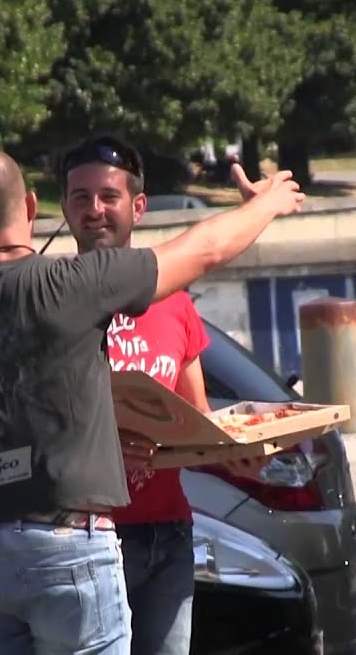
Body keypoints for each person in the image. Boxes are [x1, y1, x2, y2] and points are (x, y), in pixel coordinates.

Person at [0, 148, 304, 655]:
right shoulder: (73, 284)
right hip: (67, 543)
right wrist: (267, 204)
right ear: (33, 208)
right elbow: (204, 249)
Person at [59, 135, 270, 655]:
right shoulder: (52, 297)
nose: (94, 210)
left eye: (107, 197)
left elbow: (194, 420)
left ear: (138, 208)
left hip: (168, 533)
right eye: (80, 197)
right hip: (84, 538)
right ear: (63, 209)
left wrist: (233, 456)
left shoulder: (173, 303)